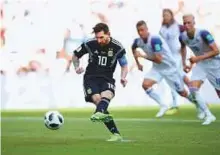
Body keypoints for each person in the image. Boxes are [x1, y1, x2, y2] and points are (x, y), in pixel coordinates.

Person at [132, 20, 215, 125]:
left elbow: (159, 59)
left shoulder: (155, 40)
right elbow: (133, 48)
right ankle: (163, 105)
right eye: (138, 31)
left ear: (147, 29)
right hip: (157, 69)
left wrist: (142, 56)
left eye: (142, 30)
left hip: (170, 69)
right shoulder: (137, 41)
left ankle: (200, 106)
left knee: (183, 93)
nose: (140, 33)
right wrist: (138, 63)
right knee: (145, 85)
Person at [72, 23, 128, 141]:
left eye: (101, 37)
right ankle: (115, 133)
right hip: (91, 77)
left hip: (107, 78)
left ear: (108, 34)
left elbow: (124, 65)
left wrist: (123, 77)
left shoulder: (118, 47)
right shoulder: (90, 43)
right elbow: (75, 55)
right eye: (97, 37)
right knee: (98, 100)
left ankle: (101, 117)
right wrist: (77, 67)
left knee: (107, 95)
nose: (99, 40)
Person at [179, 14, 219, 123]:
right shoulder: (182, 36)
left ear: (194, 23)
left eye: (189, 23)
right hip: (201, 65)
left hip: (215, 64)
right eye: (184, 23)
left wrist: (198, 58)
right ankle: (208, 115)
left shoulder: (203, 33)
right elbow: (183, 48)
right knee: (192, 88)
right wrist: (184, 63)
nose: (187, 25)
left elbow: (216, 51)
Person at [159, 8, 189, 114]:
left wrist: (184, 58)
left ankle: (193, 97)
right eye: (164, 15)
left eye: (167, 15)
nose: (165, 17)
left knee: (179, 78)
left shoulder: (178, 27)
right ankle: (176, 103)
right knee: (175, 79)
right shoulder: (162, 29)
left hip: (177, 57)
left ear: (171, 16)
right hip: (168, 58)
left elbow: (186, 40)